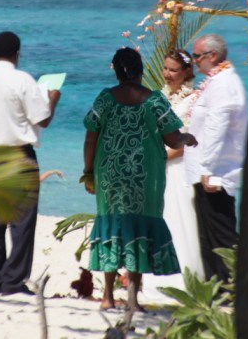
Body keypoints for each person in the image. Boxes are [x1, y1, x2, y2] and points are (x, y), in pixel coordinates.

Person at [81, 47, 197, 312]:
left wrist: (88, 170)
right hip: (145, 177)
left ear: (116, 70)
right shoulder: (154, 100)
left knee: (112, 224)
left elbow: (90, 138)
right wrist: (187, 138)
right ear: (141, 70)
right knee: (139, 227)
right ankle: (132, 300)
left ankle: (108, 296)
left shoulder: (105, 99)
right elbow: (173, 139)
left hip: (110, 175)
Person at [0, 31, 61, 296]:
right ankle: (13, 280)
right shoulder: (23, 80)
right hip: (19, 154)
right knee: (22, 221)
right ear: (17, 54)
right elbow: (43, 119)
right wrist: (53, 98)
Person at [184, 34, 248, 283]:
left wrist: (207, 168)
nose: (194, 61)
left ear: (213, 56)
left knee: (222, 237)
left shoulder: (223, 84)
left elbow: (216, 128)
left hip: (217, 172)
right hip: (207, 171)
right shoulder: (216, 81)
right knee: (208, 237)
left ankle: (236, 288)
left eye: (197, 56)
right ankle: (216, 289)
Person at [144, 49, 204, 298]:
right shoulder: (159, 97)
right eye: (165, 68)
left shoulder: (195, 100)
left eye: (173, 70)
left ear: (187, 72)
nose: (167, 74)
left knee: (178, 219)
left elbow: (187, 141)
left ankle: (184, 279)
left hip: (177, 169)